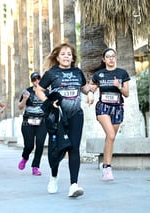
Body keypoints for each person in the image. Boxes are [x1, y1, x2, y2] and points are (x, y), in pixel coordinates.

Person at [35, 43, 94, 197]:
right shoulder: (51, 73)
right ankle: (54, 177)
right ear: (57, 57)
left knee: (74, 148)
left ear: (73, 57)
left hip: (76, 115)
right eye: (63, 54)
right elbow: (39, 90)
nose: (66, 56)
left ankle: (73, 184)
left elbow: (85, 87)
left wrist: (90, 93)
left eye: (69, 54)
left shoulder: (77, 72)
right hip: (58, 117)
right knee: (57, 150)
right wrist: (49, 102)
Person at [88, 48, 130, 181]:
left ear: (115, 58)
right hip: (103, 108)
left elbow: (127, 94)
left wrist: (119, 86)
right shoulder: (99, 74)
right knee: (111, 135)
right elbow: (91, 88)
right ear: (104, 59)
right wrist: (90, 94)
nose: (111, 59)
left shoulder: (122, 73)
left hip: (117, 108)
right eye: (108, 56)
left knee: (110, 138)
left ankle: (104, 164)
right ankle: (108, 168)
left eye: (113, 56)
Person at [17, 72, 48, 176]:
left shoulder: (46, 91)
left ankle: (35, 167)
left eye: (38, 79)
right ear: (32, 81)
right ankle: (25, 158)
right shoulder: (27, 91)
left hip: (42, 122)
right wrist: (25, 99)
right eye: (34, 79)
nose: (37, 81)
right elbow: (20, 107)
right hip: (28, 122)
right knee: (29, 145)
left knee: (40, 145)